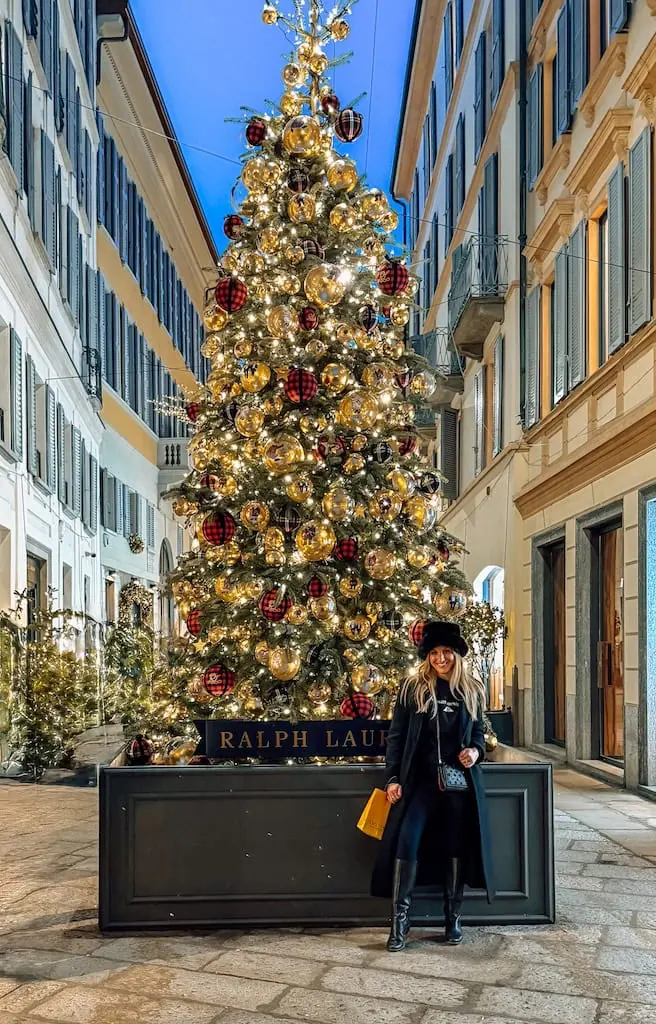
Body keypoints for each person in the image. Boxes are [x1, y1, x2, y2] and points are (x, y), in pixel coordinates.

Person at [370, 620, 494, 951]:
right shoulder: (413, 689)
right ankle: (399, 922)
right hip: (419, 784)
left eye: (447, 652)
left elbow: (479, 735)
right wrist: (392, 778)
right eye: (435, 653)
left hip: (457, 786)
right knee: (406, 843)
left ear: (457, 655)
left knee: (455, 847)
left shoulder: (471, 689)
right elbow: (395, 739)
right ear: (427, 656)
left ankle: (452, 917)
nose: (441, 659)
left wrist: (475, 751)